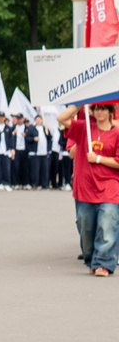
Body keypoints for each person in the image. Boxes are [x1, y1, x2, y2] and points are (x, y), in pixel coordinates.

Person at [68, 102, 119, 276]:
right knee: (85, 224)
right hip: (85, 184)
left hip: (109, 184)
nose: (99, 111)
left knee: (108, 220)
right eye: (96, 108)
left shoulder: (116, 132)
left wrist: (97, 159)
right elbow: (63, 120)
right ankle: (91, 258)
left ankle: (103, 262)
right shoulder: (84, 128)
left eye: (103, 108)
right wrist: (79, 102)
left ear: (111, 111)